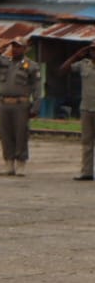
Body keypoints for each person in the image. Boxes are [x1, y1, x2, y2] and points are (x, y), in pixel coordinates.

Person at [0, 38, 40, 177]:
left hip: (21, 103)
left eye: (18, 47)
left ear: (25, 49)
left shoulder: (31, 65)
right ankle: (8, 163)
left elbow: (37, 88)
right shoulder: (4, 62)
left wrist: (36, 107)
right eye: (13, 46)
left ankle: (21, 163)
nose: (15, 49)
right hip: (4, 103)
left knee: (21, 134)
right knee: (4, 134)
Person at [59, 43, 95, 181]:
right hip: (86, 108)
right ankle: (87, 172)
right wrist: (75, 56)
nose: (94, 52)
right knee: (87, 142)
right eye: (92, 50)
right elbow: (62, 70)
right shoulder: (83, 64)